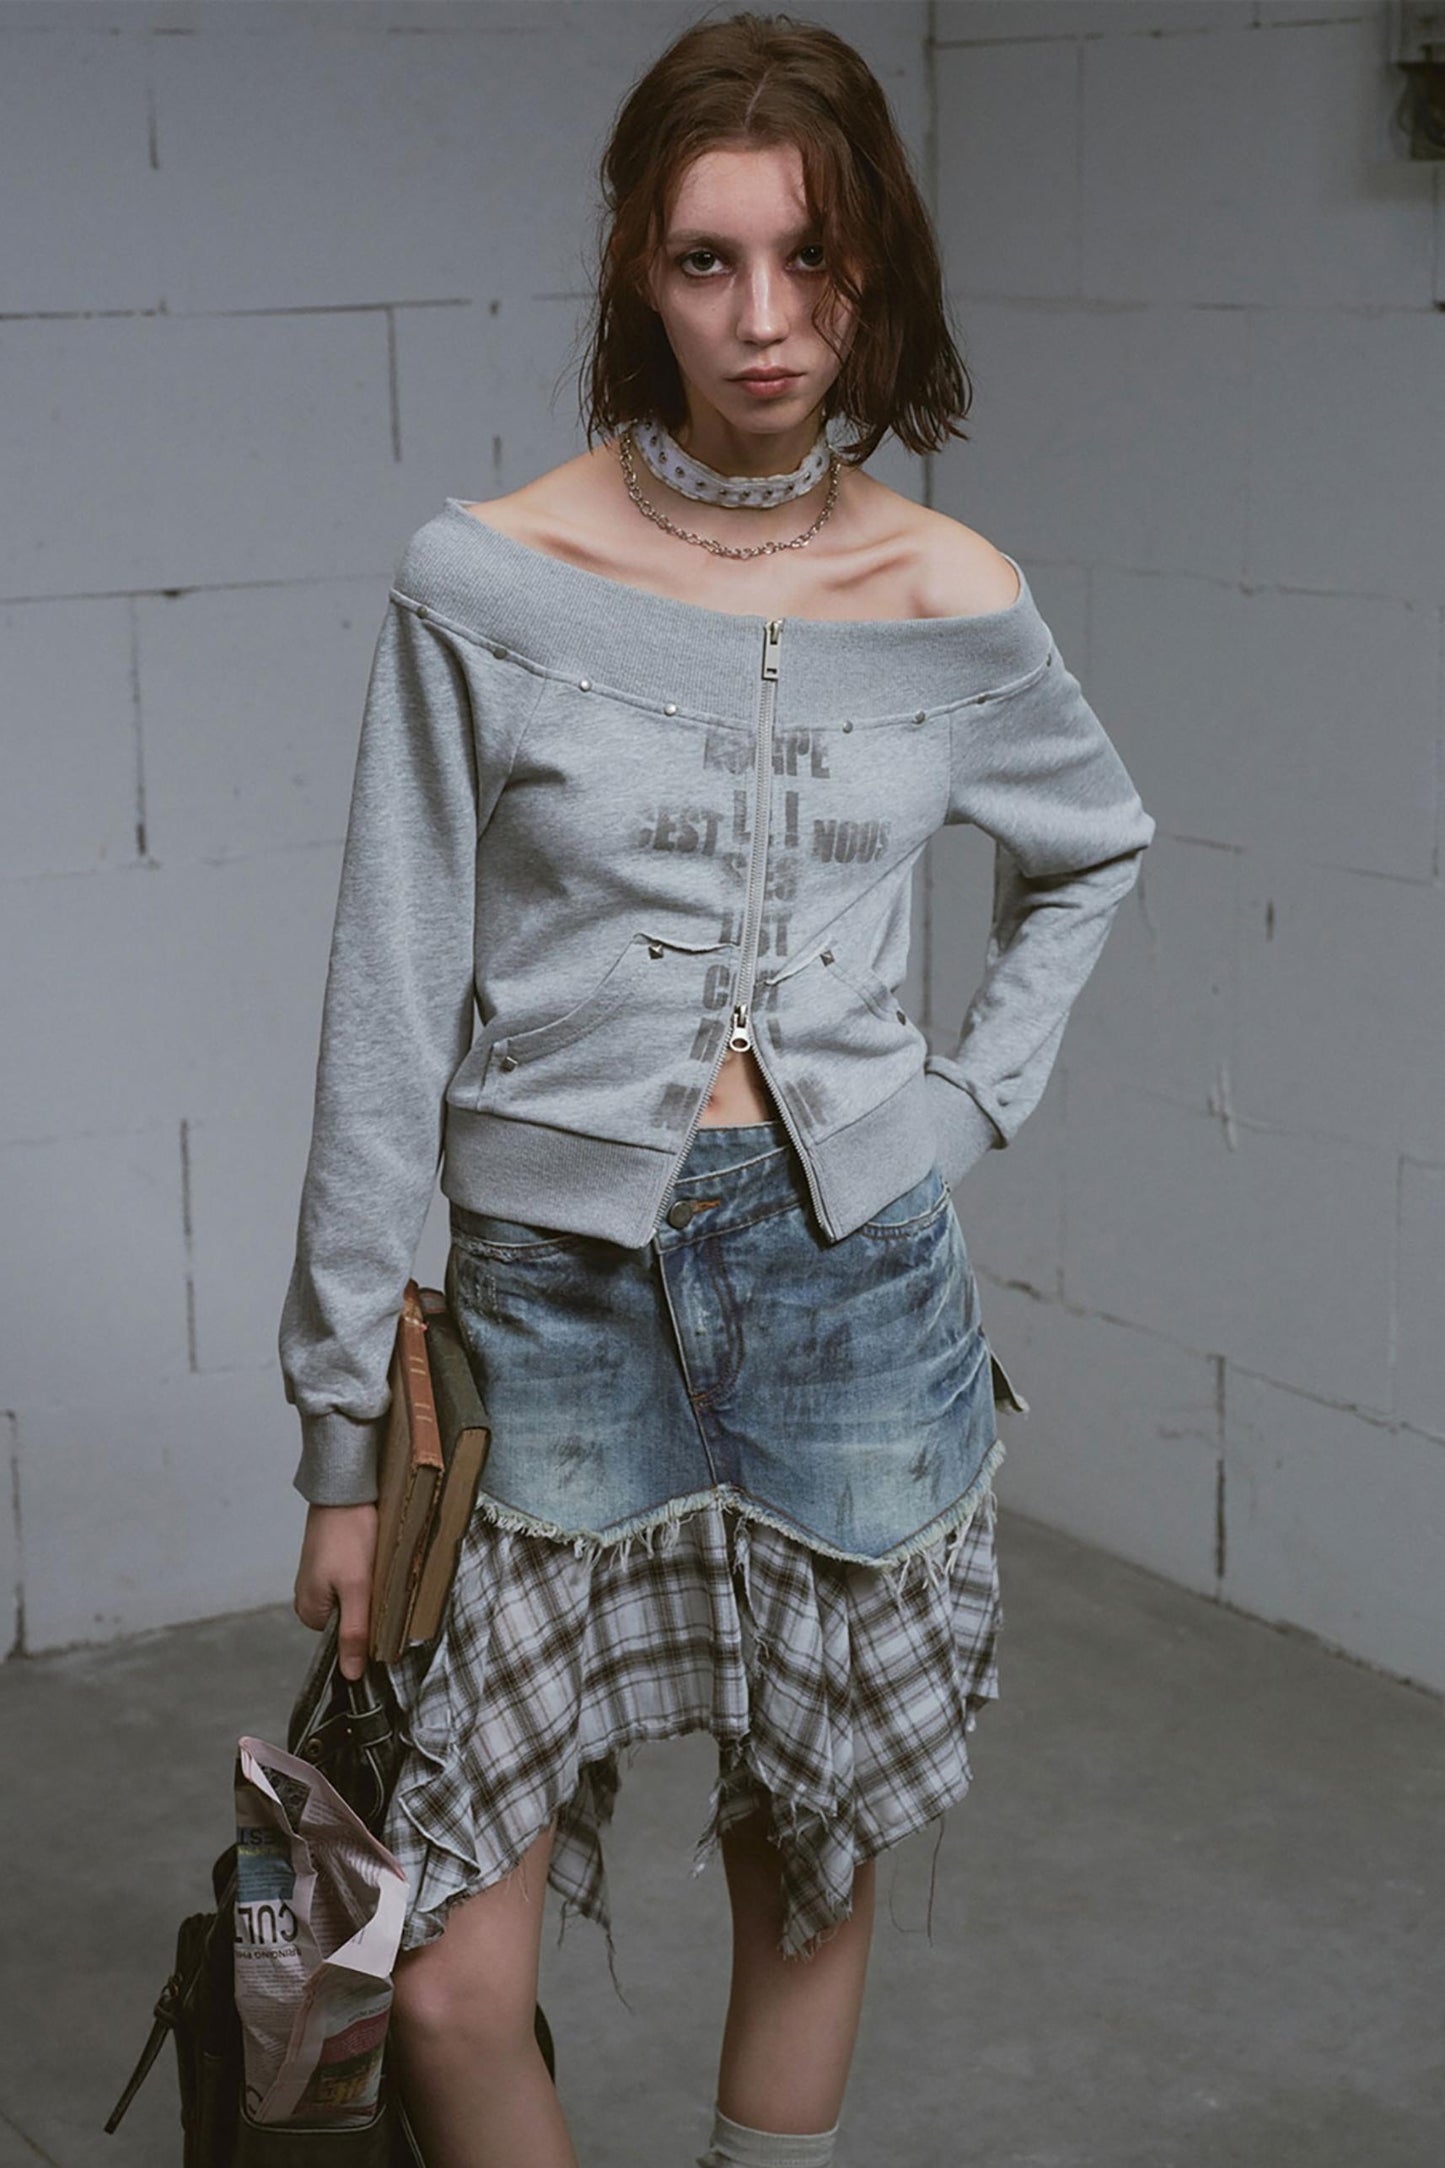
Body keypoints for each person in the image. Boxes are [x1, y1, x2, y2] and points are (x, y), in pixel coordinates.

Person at [282, 11, 1155, 2167]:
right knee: (448, 1975)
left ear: (877, 270)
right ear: (637, 271)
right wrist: (338, 1440)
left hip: (851, 1300)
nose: (764, 321)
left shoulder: (952, 598)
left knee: (809, 1858)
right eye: (706, 261)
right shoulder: (484, 579)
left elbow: (1094, 847)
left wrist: (954, 1113)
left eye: (810, 259)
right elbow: (385, 1003)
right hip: (551, 1307)